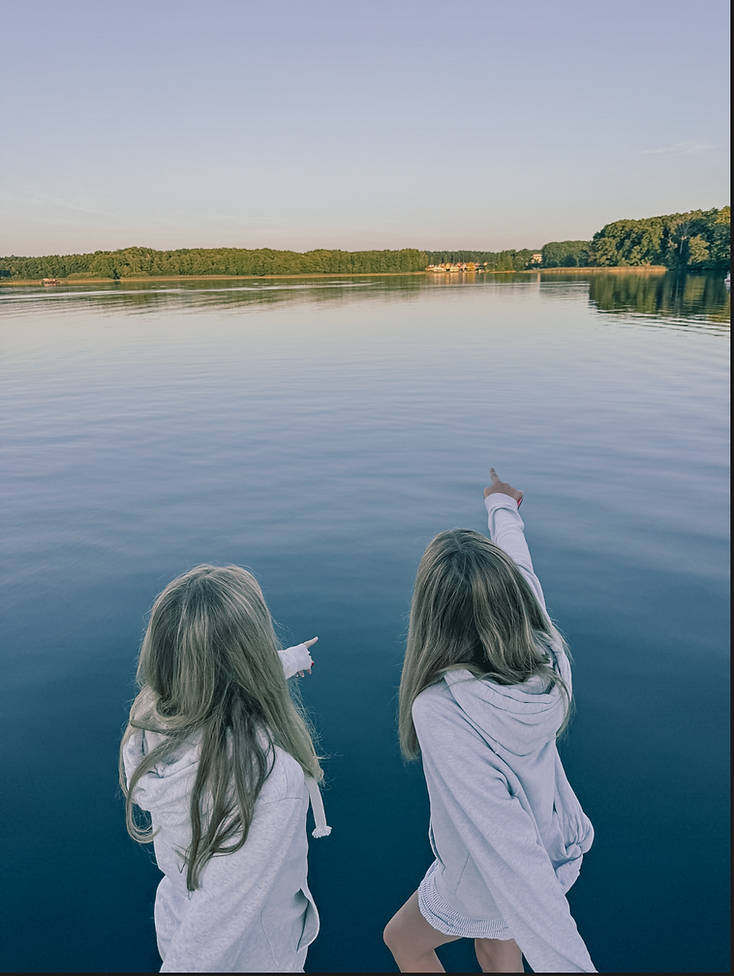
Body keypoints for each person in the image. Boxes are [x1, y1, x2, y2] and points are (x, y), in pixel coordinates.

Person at [383, 469, 596, 973]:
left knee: (403, 941)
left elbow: (514, 863)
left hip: (491, 875)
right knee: (496, 949)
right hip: (552, 841)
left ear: (430, 617)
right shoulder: (547, 653)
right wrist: (502, 507)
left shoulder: (440, 711)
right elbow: (522, 571)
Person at [120, 564, 330, 973]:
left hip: (175, 916)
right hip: (257, 958)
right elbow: (208, 937)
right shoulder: (268, 783)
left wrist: (288, 660)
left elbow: (213, 681)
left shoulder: (151, 727)